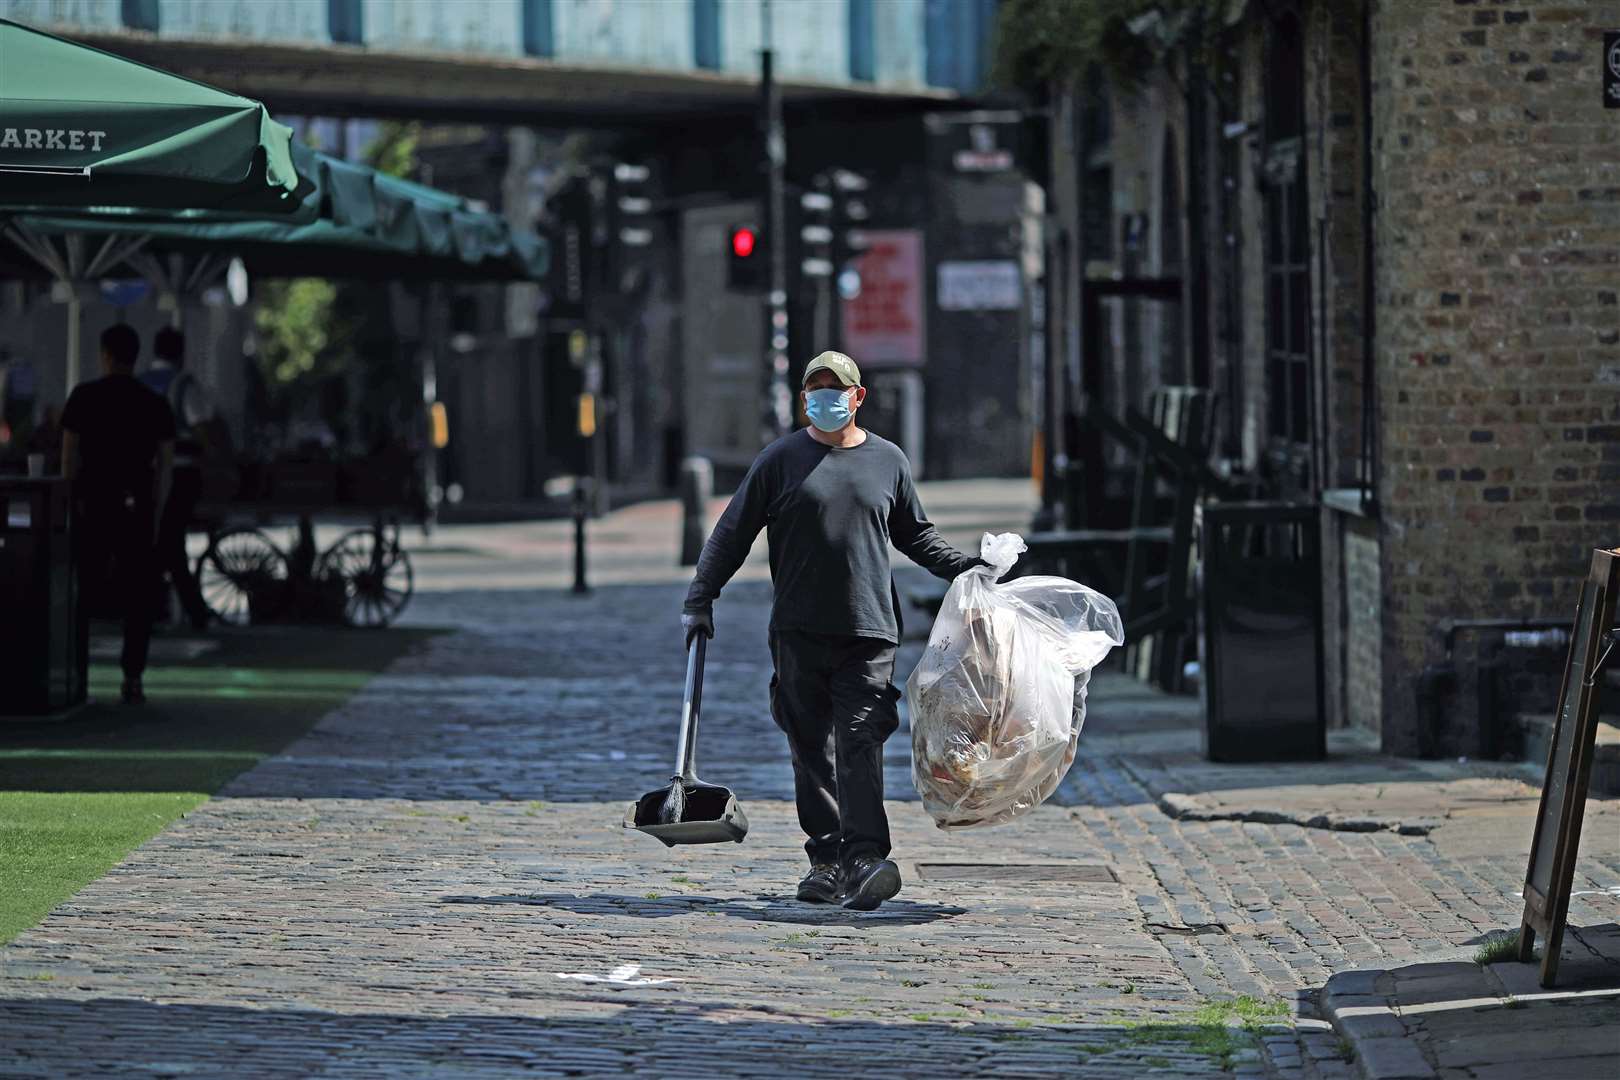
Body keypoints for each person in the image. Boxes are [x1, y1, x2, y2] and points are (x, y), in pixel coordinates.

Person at [682, 351, 983, 911]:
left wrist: (971, 571)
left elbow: (915, 536)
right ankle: (825, 859)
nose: (826, 397)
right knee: (809, 746)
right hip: (797, 629)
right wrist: (700, 599)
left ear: (858, 396)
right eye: (815, 389)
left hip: (869, 630)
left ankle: (866, 856)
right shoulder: (779, 460)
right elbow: (732, 533)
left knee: (861, 739)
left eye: (836, 388)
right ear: (804, 398)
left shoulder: (888, 461)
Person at [61, 324, 176, 705]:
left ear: (105, 354)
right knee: (137, 596)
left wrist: (69, 499)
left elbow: (68, 458)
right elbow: (166, 466)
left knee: (83, 592)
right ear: (136, 355)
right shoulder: (154, 403)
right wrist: (157, 512)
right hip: (137, 504)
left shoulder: (83, 397)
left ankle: (75, 674)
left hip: (92, 503)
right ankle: (132, 677)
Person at [139, 327, 213, 629]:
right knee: (171, 541)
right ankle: (192, 610)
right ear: (181, 353)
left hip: (143, 473)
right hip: (182, 473)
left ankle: (159, 606)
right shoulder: (184, 385)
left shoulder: (140, 383)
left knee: (155, 540)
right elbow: (201, 428)